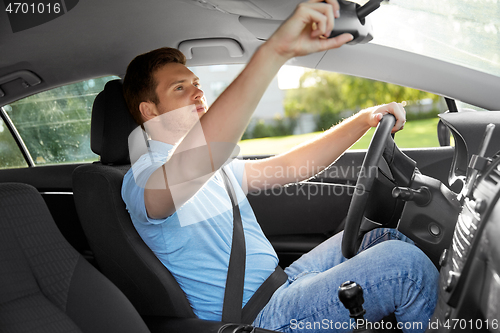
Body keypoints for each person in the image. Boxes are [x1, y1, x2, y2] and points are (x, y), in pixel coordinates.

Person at [121, 1, 439, 332]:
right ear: (150, 111)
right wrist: (274, 53)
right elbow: (192, 165)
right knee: (406, 268)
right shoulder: (141, 180)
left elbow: (293, 167)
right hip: (255, 316)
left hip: (281, 282)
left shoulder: (216, 169)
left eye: (196, 83)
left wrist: (363, 121)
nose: (198, 92)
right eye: (179, 88)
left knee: (384, 236)